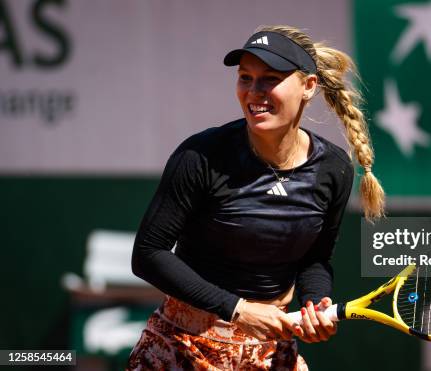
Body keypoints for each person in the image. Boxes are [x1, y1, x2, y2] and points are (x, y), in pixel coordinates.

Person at [127, 24, 385, 370]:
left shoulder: (333, 168)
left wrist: (313, 304)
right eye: (245, 78)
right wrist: (238, 309)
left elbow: (316, 259)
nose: (254, 91)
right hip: (183, 348)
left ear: (308, 86)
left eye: (270, 79)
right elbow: (148, 254)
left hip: (271, 350)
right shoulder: (200, 155)